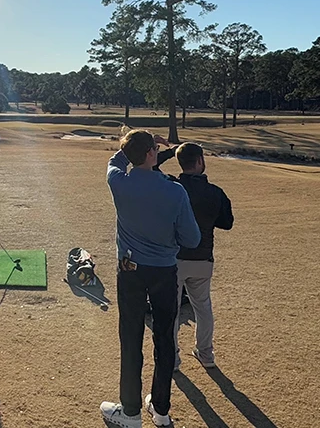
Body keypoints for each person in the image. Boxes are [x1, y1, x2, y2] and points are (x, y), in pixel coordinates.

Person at [100, 130, 201, 428]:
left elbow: (114, 160)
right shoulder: (175, 191)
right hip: (164, 271)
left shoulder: (119, 181)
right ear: (150, 154)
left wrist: (136, 144)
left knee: (131, 339)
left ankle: (130, 411)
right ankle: (161, 409)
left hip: (130, 271)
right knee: (163, 340)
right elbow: (192, 239)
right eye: (154, 149)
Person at [171, 143, 234, 370]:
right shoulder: (215, 192)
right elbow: (227, 223)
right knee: (203, 307)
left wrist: (171, 151)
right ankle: (205, 353)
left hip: (173, 259)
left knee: (171, 309)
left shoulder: (171, 186)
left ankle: (173, 358)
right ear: (199, 161)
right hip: (202, 257)